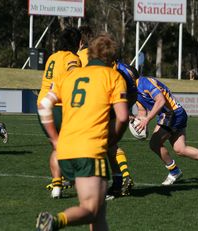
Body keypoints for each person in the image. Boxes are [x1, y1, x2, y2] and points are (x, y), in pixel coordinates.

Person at [36, 33, 129, 230]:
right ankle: (54, 221)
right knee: (91, 209)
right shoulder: (113, 76)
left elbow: (44, 104)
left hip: (65, 151)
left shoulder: (69, 75)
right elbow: (122, 117)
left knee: (99, 213)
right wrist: (114, 139)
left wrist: (54, 138)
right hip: (90, 151)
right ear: (112, 56)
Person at [133, 76, 198, 185]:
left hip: (172, 114)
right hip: (174, 114)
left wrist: (147, 119)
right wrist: (136, 122)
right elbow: (142, 111)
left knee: (154, 143)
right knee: (180, 149)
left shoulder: (144, 82)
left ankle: (174, 171)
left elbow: (161, 100)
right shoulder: (134, 90)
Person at [37, 27, 82, 198]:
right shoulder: (73, 58)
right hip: (60, 106)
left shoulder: (52, 57)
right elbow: (73, 73)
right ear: (78, 43)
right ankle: (76, 180)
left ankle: (57, 185)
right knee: (73, 146)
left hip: (42, 107)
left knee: (56, 145)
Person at [105, 61, 140, 200]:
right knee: (110, 144)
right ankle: (122, 178)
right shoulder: (121, 67)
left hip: (110, 101)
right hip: (122, 98)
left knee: (105, 143)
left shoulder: (115, 70)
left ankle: (117, 183)